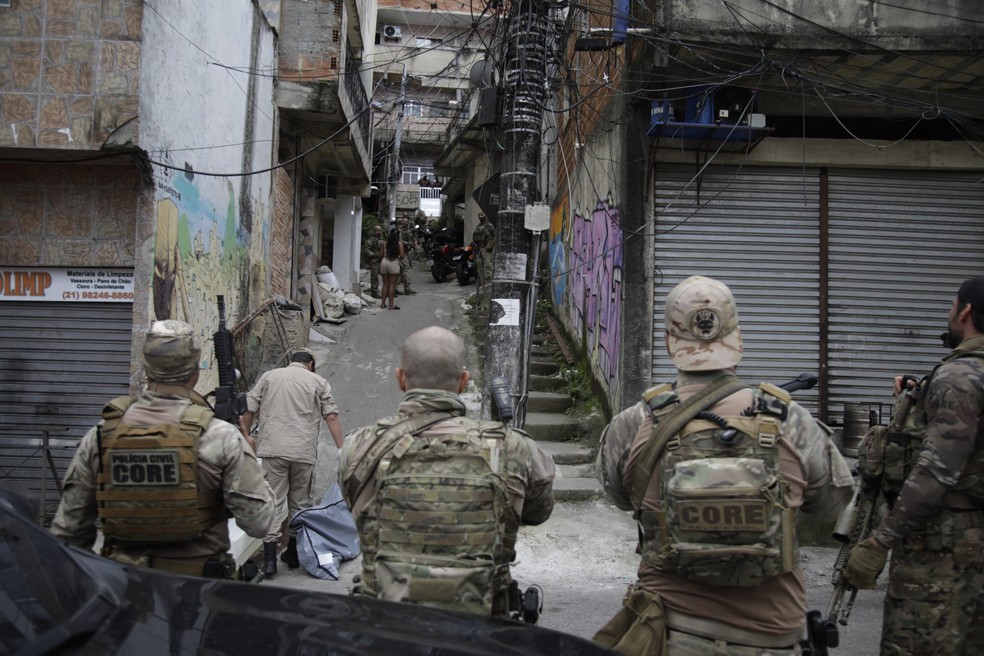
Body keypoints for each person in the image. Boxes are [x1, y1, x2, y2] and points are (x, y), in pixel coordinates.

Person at [593, 275, 853, 655]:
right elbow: (831, 507)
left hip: (669, 634)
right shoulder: (793, 422)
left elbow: (619, 497)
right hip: (772, 637)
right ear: (738, 340)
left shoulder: (632, 424)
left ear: (669, 343)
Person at [338, 326, 555, 617]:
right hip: (483, 626)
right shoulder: (513, 447)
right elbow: (538, 512)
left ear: (400, 378)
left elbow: (354, 505)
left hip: (384, 628)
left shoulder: (360, 447)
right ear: (464, 381)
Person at [50, 320, 277, 578]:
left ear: (147, 368)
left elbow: (68, 534)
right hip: (198, 593)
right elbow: (260, 522)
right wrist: (253, 459)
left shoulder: (101, 435)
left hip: (122, 588)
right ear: (195, 372)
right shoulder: (220, 437)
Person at [843, 275, 984, 656]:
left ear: (966, 311)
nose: (948, 314)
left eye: (952, 307)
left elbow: (937, 471)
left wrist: (879, 540)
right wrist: (919, 396)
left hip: (944, 548)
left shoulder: (960, 377)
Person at [240, 348, 344, 577]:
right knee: (300, 503)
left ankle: (269, 562)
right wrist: (340, 448)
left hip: (272, 450)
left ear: (291, 362)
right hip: (303, 452)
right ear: (311, 364)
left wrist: (246, 436)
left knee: (274, 502)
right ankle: (294, 555)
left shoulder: (269, 377)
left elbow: (249, 407)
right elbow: (332, 416)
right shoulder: (318, 381)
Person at [380, 225, 403, 310]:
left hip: (384, 262)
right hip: (393, 262)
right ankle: (391, 305)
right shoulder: (399, 243)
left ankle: (382, 304)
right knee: (392, 285)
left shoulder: (384, 243)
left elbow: (381, 255)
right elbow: (402, 256)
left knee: (385, 285)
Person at [472, 211, 495, 291]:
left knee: (488, 265)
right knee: (479, 267)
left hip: (485, 248)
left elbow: (493, 236)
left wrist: (490, 245)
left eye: (482, 215)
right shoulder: (478, 226)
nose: (480, 216)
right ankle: (482, 285)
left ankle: (490, 284)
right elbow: (475, 237)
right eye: (479, 215)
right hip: (478, 249)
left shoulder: (489, 225)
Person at [362, 224, 384, 299]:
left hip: (382, 261)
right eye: (377, 230)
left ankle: (386, 291)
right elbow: (366, 250)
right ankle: (374, 292)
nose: (379, 232)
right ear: (374, 232)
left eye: (380, 230)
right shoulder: (371, 240)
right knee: (374, 276)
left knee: (385, 275)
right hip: (375, 261)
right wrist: (374, 254)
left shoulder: (381, 240)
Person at [398, 219, 418, 295]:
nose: (406, 222)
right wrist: (409, 243)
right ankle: (407, 288)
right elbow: (400, 242)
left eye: (407, 221)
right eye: (404, 221)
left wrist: (414, 246)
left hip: (407, 252)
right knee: (406, 270)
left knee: (401, 270)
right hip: (402, 252)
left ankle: (396, 288)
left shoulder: (409, 230)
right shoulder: (400, 231)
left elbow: (413, 239)